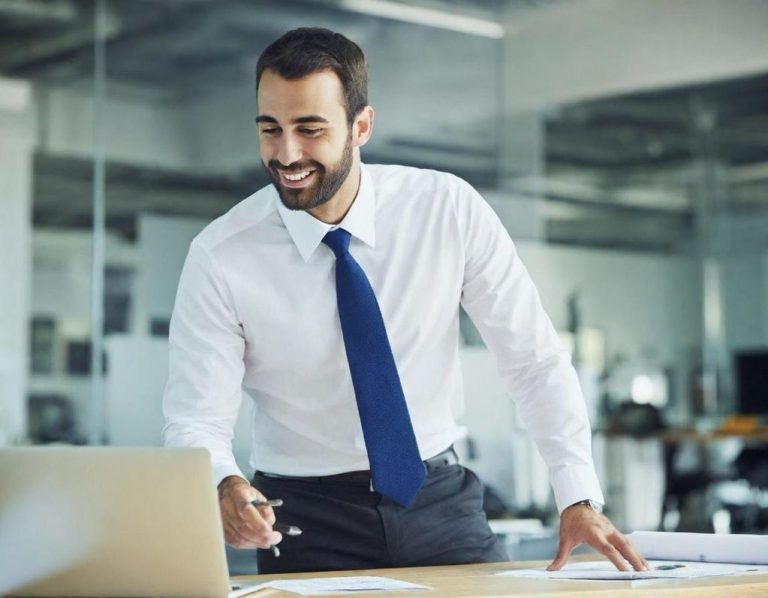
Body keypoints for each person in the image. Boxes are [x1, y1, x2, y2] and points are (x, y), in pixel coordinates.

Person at [162, 27, 649, 575]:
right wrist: (224, 484)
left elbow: (533, 360)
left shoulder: (447, 210)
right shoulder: (222, 254)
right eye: (270, 130)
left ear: (361, 127)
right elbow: (195, 419)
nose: (287, 153)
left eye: (310, 129)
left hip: (439, 502)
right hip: (303, 516)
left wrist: (577, 495)